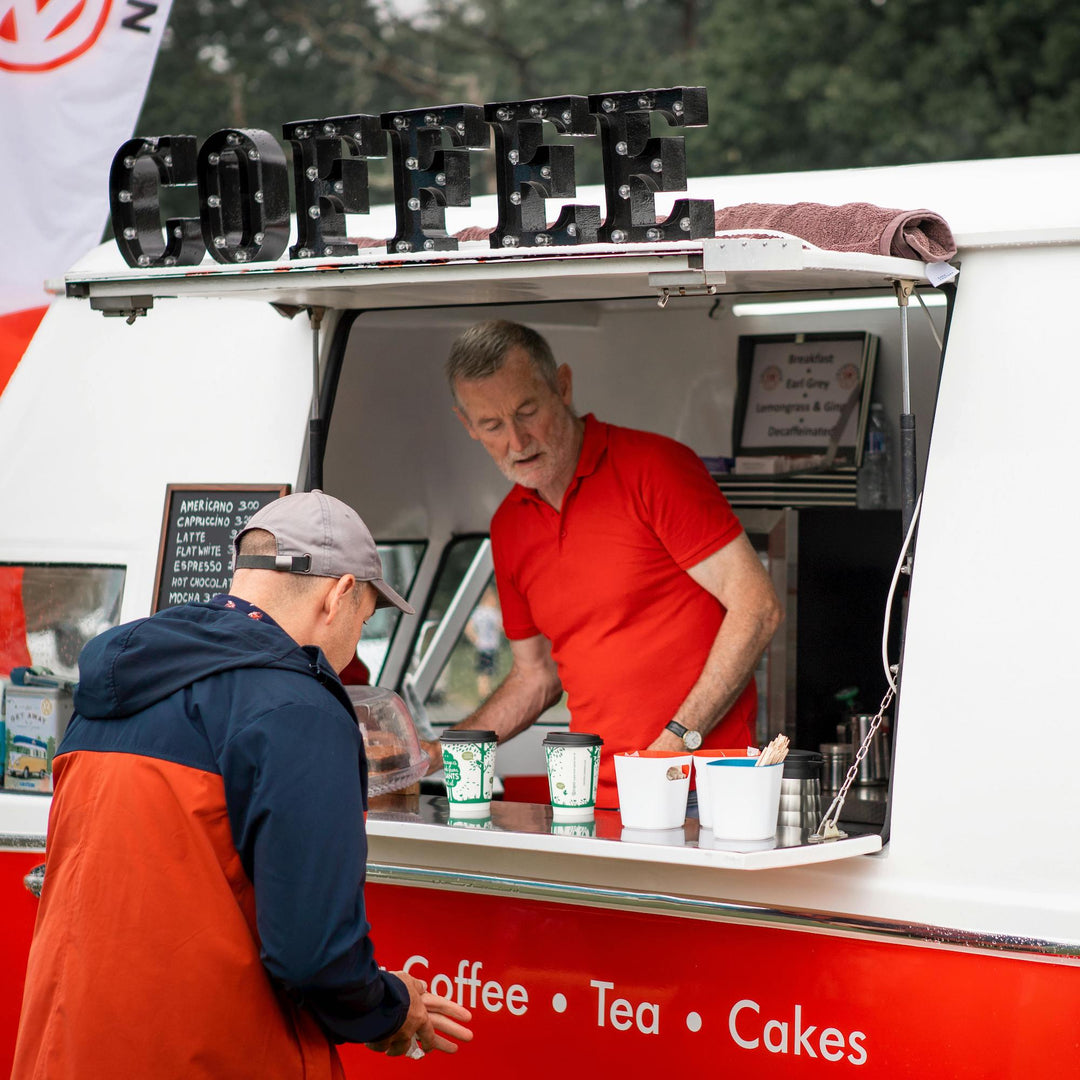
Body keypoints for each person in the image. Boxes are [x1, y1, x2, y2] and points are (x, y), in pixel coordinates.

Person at [12, 490, 473, 1079]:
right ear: (339, 594)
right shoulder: (300, 711)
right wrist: (388, 1009)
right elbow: (314, 953)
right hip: (209, 1056)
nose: (355, 644)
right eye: (365, 619)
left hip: (67, 1049)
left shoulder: (115, 685)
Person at [434, 320, 783, 810]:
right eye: (492, 425)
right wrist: (438, 752)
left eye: (527, 411)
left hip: (702, 791)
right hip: (591, 799)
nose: (517, 440)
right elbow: (535, 677)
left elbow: (758, 607)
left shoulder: (655, 469)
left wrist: (674, 744)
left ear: (563, 386)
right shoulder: (508, 526)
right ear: (468, 425)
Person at [464, 585, 503, 700]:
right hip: (491, 646)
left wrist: (476, 640)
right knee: (488, 673)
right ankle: (485, 696)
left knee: (482, 673)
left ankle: (483, 694)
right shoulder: (494, 613)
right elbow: (502, 627)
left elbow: (468, 628)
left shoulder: (478, 612)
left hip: (481, 647)